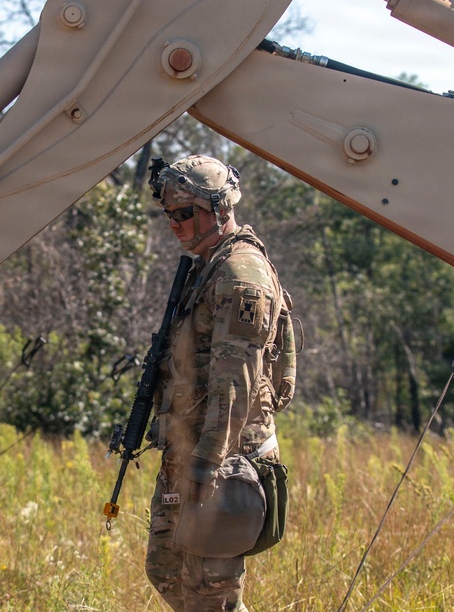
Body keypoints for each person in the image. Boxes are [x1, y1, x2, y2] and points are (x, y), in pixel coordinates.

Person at [145, 155, 293, 612]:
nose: (175, 222)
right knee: (166, 567)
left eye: (186, 212)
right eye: (170, 212)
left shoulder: (238, 275)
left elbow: (237, 381)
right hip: (191, 445)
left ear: (222, 208)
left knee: (212, 594)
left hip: (225, 455)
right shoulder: (209, 264)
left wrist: (207, 463)